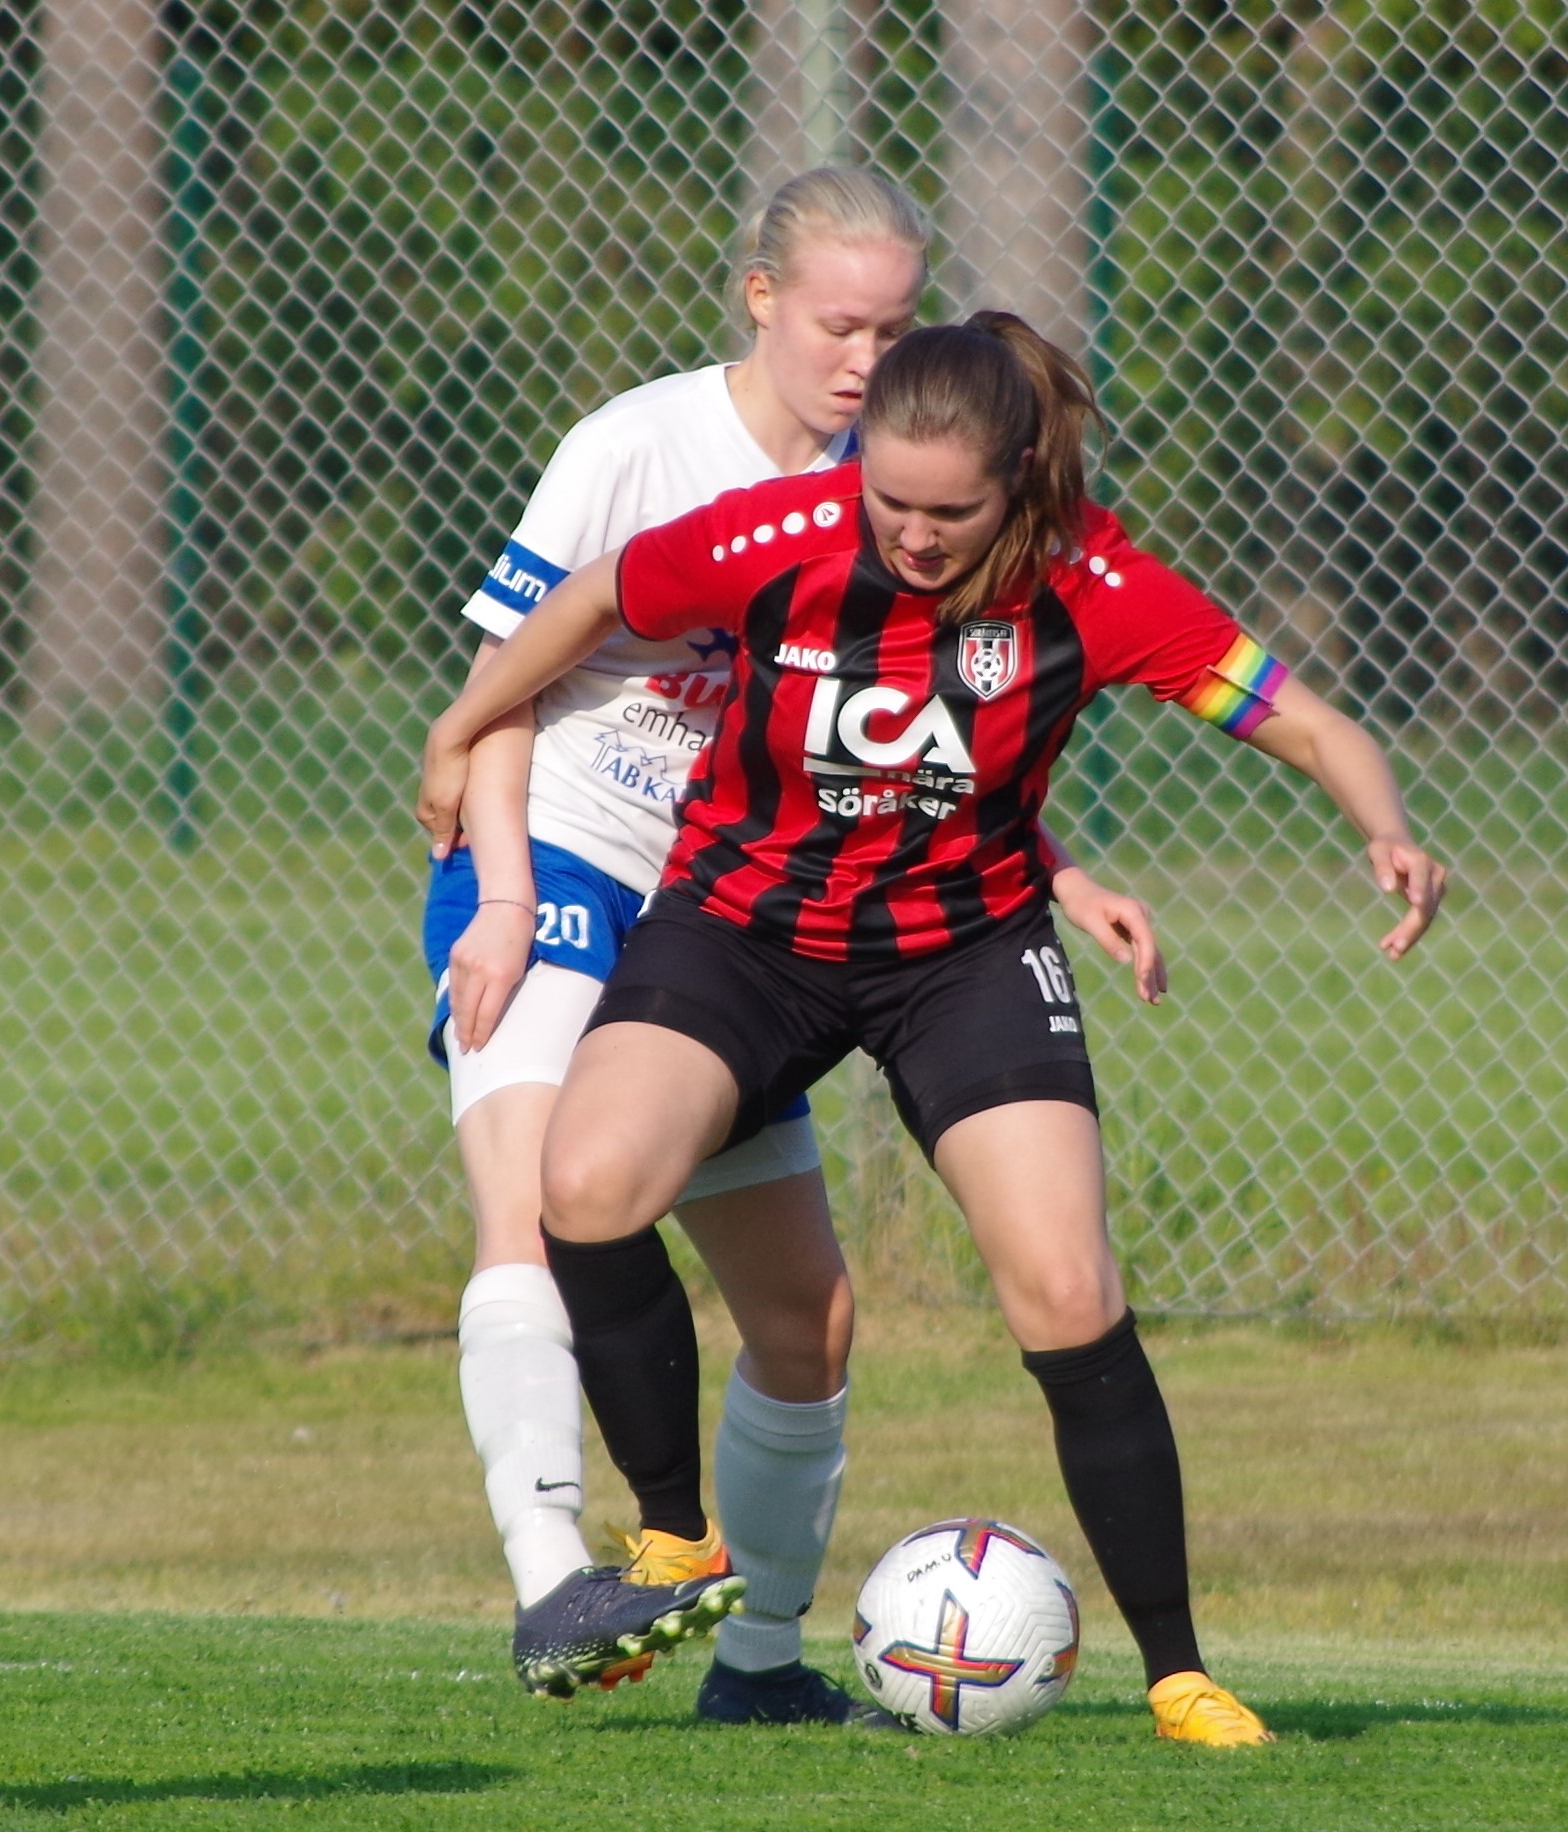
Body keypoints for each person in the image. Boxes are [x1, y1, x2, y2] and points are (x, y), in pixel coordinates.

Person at [417, 311, 1446, 1748]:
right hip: (745, 934)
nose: (907, 532)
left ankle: (1179, 1676)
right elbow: (593, 598)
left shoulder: (1094, 580)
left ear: (1017, 483)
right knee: (581, 1187)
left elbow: (1310, 722)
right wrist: (464, 725)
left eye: (946, 513)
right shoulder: (783, 532)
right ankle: (674, 1539)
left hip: (962, 956)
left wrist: (1384, 826)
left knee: (1067, 1291)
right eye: (887, 499)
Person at [422, 178, 1162, 1719]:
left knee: (806, 1321)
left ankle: (756, 1669)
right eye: (841, 324)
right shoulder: (636, 445)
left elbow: (910, 744)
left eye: (896, 326)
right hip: (560, 861)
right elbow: (499, 687)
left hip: (742, 913)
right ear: (760, 298)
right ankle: (561, 1580)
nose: (869, 356)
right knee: (544, 1205)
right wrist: (500, 897)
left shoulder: (900, 481)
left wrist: (1059, 867)